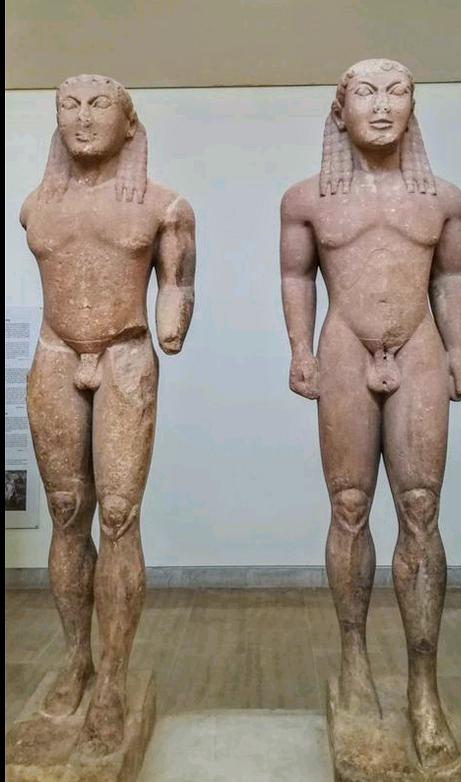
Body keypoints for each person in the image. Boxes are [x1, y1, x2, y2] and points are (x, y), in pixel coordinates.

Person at [280, 58, 461, 771]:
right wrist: (300, 348)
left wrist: (459, 347)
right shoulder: (308, 199)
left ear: (413, 107)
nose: (383, 105)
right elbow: (296, 274)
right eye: (366, 93)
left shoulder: (441, 198)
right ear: (342, 111)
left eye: (398, 92)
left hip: (419, 348)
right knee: (350, 506)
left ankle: (424, 688)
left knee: (420, 507)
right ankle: (355, 658)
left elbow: (450, 276)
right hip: (343, 348)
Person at [20, 74, 196, 755]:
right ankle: (76, 659)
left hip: (124, 355)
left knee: (118, 515)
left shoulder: (163, 206)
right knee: (67, 512)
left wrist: (173, 319)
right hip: (55, 355)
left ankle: (115, 677)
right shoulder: (36, 207)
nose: (83, 117)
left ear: (129, 124)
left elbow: (178, 283)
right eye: (69, 105)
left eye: (100, 105)